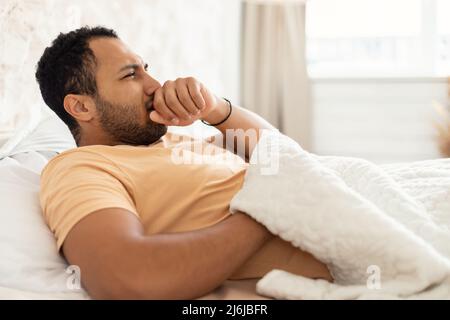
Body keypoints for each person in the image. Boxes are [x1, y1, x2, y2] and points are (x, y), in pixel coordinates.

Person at [35, 26, 332, 299]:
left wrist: (215, 108)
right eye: (130, 75)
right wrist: (264, 211)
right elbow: (123, 276)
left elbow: (279, 152)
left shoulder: (176, 144)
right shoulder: (81, 168)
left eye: (146, 69)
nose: (154, 84)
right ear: (81, 106)